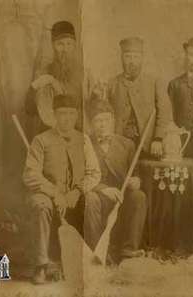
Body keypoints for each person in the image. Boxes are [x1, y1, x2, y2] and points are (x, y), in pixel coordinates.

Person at [23, 94, 101, 284]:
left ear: (76, 116)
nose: (67, 118)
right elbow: (30, 175)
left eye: (71, 114)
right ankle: (41, 265)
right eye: (62, 113)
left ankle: (93, 256)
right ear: (54, 115)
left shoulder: (84, 140)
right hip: (49, 196)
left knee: (93, 199)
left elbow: (94, 173)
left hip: (75, 196)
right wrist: (54, 193)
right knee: (40, 204)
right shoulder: (40, 141)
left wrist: (77, 191)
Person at [85, 99, 147, 262]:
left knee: (139, 196)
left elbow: (136, 174)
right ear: (91, 124)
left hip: (121, 197)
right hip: (98, 195)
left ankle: (129, 250)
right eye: (98, 120)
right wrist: (102, 189)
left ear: (113, 120)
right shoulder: (84, 144)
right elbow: (81, 178)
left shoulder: (127, 144)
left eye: (106, 119)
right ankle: (97, 251)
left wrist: (136, 181)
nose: (102, 125)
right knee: (90, 199)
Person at [99, 37, 173, 157]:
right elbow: (103, 114)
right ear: (121, 58)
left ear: (142, 58)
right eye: (128, 56)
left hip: (148, 145)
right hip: (119, 145)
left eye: (136, 57)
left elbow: (164, 112)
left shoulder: (154, 82)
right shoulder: (112, 84)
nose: (132, 61)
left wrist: (158, 139)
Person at [25, 21, 83, 139]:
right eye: (60, 44)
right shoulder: (44, 72)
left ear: (75, 46)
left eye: (69, 44)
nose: (65, 49)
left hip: (77, 134)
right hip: (49, 134)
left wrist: (55, 85)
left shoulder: (84, 73)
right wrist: (34, 87)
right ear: (53, 46)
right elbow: (29, 109)